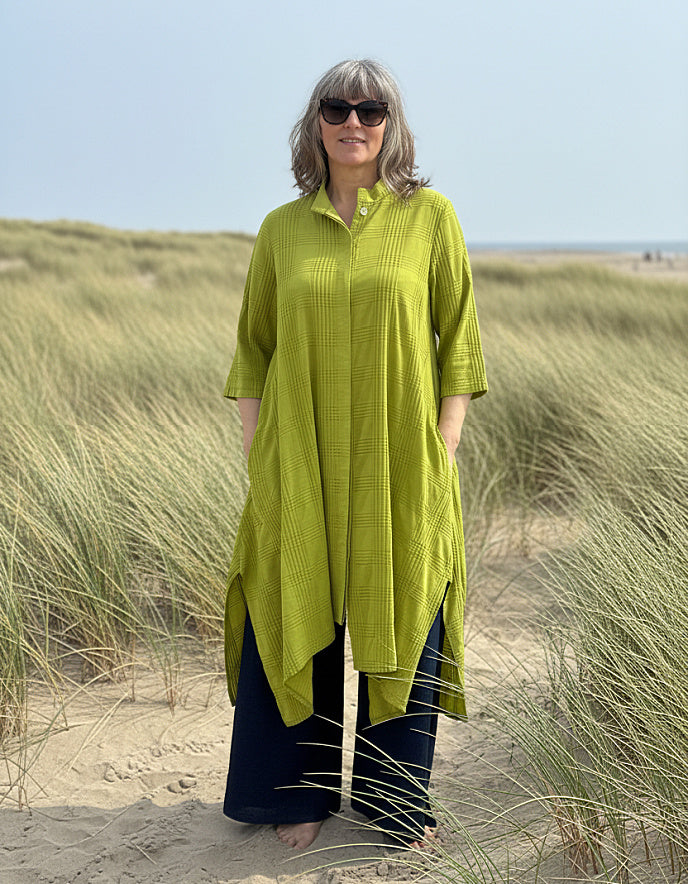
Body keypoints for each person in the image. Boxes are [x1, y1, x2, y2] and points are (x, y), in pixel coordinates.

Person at [222, 58, 487, 851]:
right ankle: (294, 797)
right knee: (292, 599)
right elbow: (252, 355)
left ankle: (395, 801)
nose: (353, 121)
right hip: (299, 461)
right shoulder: (280, 230)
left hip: (401, 461)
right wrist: (259, 461)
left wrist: (441, 456)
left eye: (370, 110)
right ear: (316, 124)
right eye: (336, 107)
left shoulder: (432, 218)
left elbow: (460, 351)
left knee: (402, 612)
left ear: (390, 125)